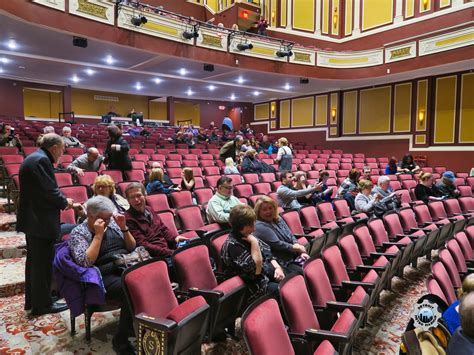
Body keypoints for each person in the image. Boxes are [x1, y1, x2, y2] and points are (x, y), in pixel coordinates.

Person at [68, 196, 136, 354]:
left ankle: (140, 322)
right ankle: (121, 339)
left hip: (124, 264)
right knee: (132, 287)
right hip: (102, 275)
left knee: (151, 276)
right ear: (90, 216)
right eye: (103, 218)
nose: (107, 221)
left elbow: (132, 247)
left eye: (108, 217)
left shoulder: (112, 223)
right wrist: (98, 235)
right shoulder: (79, 233)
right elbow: (85, 262)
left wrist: (124, 228)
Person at [17, 133, 74, 315]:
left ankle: (37, 299)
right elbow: (50, 192)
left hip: (34, 220)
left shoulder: (35, 158)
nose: (62, 154)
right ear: (55, 147)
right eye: (62, 149)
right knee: (42, 264)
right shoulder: (41, 160)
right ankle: (42, 305)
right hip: (39, 222)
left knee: (36, 263)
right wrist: (67, 202)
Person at [221, 204, 284, 303]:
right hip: (251, 288)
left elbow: (267, 251)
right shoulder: (233, 245)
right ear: (240, 226)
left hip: (265, 276)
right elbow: (256, 271)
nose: (254, 228)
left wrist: (277, 268)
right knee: (283, 292)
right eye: (251, 225)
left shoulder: (247, 235)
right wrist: (254, 243)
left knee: (291, 280)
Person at [124, 183, 188, 260]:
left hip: (167, 250)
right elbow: (144, 245)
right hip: (154, 257)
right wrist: (171, 252)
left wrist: (175, 238)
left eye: (138, 195)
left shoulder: (149, 209)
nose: (136, 200)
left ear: (145, 195)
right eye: (132, 197)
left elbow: (163, 228)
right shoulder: (128, 218)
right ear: (128, 200)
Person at [254, 196, 309, 273]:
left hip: (293, 254)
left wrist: (300, 251)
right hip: (282, 262)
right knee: (305, 272)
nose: (268, 211)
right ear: (258, 212)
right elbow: (277, 244)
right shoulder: (259, 226)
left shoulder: (277, 218)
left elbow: (290, 235)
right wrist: (297, 248)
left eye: (270, 208)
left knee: (313, 265)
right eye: (264, 210)